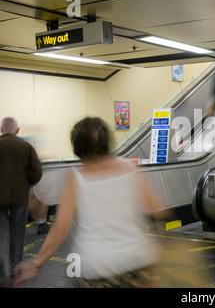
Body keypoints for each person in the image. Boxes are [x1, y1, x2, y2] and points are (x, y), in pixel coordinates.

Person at [13, 117, 171, 288]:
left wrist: (37, 264)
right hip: (139, 261)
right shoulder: (130, 168)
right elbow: (158, 210)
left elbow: (60, 228)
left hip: (97, 269)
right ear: (107, 142)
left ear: (78, 148)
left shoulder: (76, 180)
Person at [0, 117, 42, 288]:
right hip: (19, 198)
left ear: (2, 130)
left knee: (0, 235)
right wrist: (26, 184)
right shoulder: (26, 147)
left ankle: (1, 271)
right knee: (18, 235)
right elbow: (37, 172)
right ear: (17, 130)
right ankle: (15, 272)